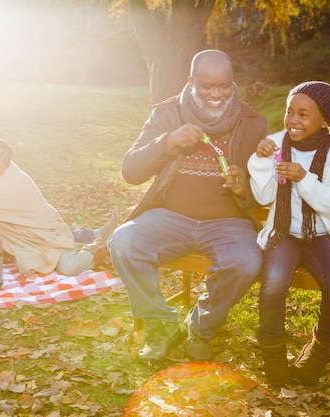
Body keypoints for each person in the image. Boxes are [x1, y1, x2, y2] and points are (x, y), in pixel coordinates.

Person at [107, 49, 270, 363]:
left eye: (223, 86)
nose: (216, 94)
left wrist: (244, 187)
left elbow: (267, 187)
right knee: (123, 242)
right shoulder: (166, 114)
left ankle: (200, 326)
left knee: (246, 262)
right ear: (191, 81)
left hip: (228, 222)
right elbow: (130, 171)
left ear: (232, 83)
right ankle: (161, 325)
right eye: (207, 86)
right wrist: (168, 142)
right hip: (169, 217)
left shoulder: (253, 122)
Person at [248, 81, 330, 386]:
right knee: (274, 283)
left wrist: (305, 179)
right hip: (284, 232)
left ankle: (320, 352)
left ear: (324, 121)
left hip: (321, 234)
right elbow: (264, 197)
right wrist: (260, 161)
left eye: (303, 114)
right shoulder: (277, 145)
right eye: (289, 111)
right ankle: (273, 354)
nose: (293, 120)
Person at [0, 139, 113, 276]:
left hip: (46, 235)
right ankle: (89, 237)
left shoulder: (12, 182)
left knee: (69, 267)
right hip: (26, 237)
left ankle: (99, 248)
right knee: (39, 262)